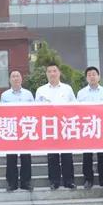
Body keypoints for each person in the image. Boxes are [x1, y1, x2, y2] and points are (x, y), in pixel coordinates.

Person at [35, 61, 76, 189]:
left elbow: (75, 106)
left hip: (65, 127)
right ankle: (54, 181)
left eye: (54, 71)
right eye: (49, 71)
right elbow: (36, 109)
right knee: (52, 156)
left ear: (59, 73)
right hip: (49, 127)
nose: (52, 74)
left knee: (67, 155)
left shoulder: (67, 89)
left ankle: (69, 181)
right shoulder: (41, 90)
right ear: (46, 74)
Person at [77, 66, 103, 189]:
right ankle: (88, 179)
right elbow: (78, 111)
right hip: (87, 127)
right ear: (86, 78)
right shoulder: (81, 93)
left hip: (101, 128)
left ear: (99, 77)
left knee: (102, 155)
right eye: (89, 75)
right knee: (87, 155)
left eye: (94, 74)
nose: (92, 76)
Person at [0, 69, 33, 192]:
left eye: (17, 76)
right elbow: (1, 112)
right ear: (10, 80)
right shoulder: (5, 95)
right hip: (11, 129)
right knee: (11, 157)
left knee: (26, 157)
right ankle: (12, 183)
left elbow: (34, 111)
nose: (15, 78)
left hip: (25, 128)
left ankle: (26, 182)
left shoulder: (28, 94)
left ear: (21, 79)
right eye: (13, 76)